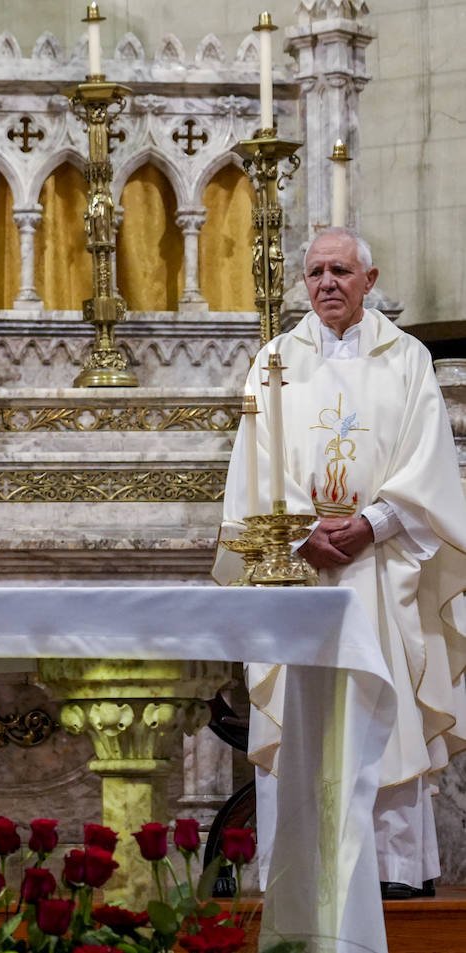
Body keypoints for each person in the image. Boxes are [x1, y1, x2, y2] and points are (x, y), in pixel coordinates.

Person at [216, 227, 466, 899]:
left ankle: (392, 871)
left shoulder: (406, 358)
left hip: (382, 567)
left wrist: (372, 523)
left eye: (342, 271)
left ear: (369, 280)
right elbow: (253, 464)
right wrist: (302, 533)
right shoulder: (275, 360)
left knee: (387, 709)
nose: (328, 282)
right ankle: (300, 868)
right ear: (304, 282)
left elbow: (429, 460)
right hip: (296, 571)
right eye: (317, 272)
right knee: (305, 715)